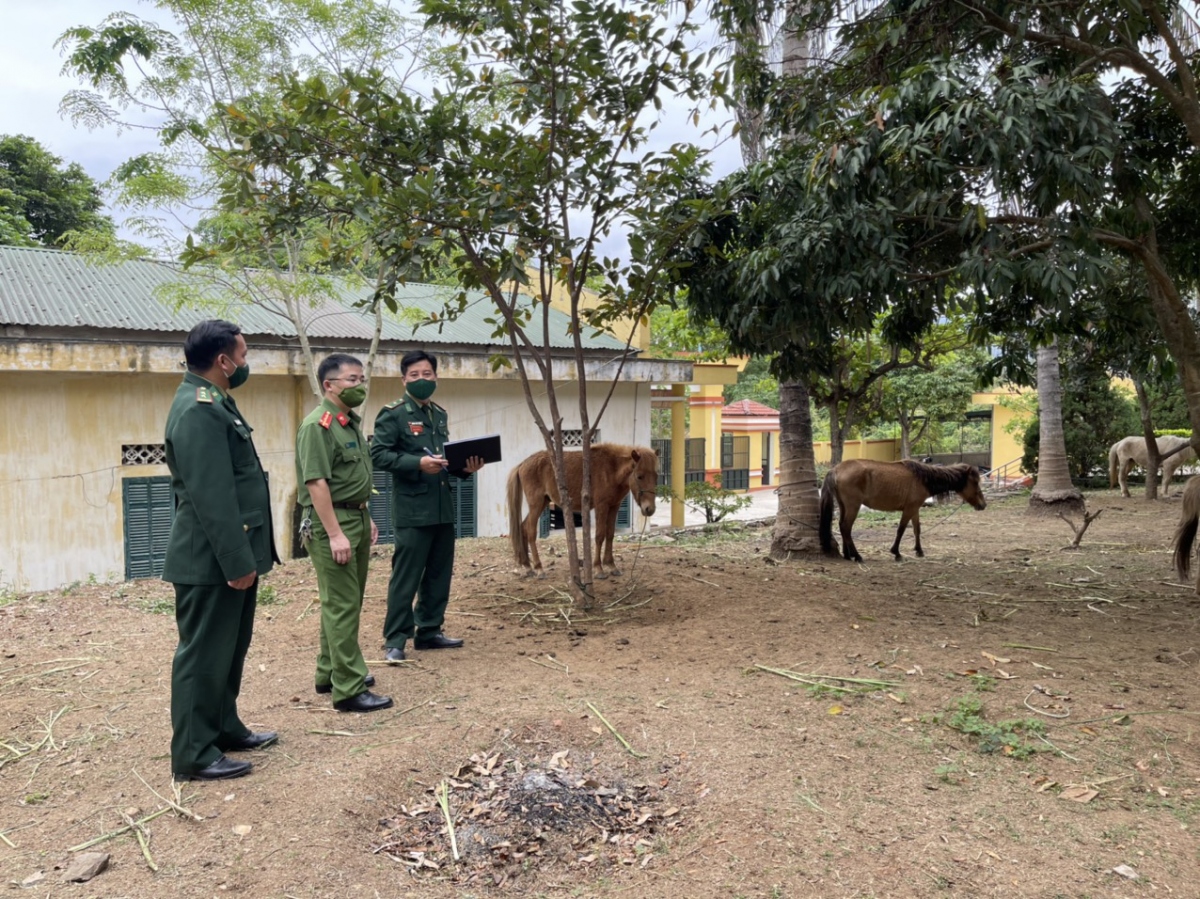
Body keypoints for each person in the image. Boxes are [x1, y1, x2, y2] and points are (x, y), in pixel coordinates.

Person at [163, 319, 280, 781]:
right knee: (203, 656)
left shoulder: (217, 402)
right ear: (222, 360)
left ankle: (223, 727)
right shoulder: (197, 410)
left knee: (229, 650)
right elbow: (212, 496)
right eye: (244, 355)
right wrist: (236, 561)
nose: (246, 363)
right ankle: (193, 753)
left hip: (230, 553)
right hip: (210, 558)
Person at [370, 350, 484, 662]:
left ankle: (429, 630)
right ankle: (396, 639)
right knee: (406, 576)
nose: (422, 379)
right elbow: (378, 454)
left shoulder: (439, 414)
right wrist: (417, 463)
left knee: (438, 573)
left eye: (427, 374)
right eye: (415, 375)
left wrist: (465, 468)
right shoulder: (392, 414)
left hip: (442, 507)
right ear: (404, 379)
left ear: (436, 376)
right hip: (412, 510)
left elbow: (442, 461)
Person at [295, 354, 393, 713]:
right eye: (352, 380)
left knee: (343, 601)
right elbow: (316, 482)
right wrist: (336, 534)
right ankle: (349, 689)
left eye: (361, 379)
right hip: (330, 522)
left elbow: (352, 478)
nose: (359, 386)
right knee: (342, 604)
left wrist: (364, 516)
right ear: (329, 385)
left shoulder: (346, 423)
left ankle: (329, 672)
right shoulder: (317, 426)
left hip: (354, 516)